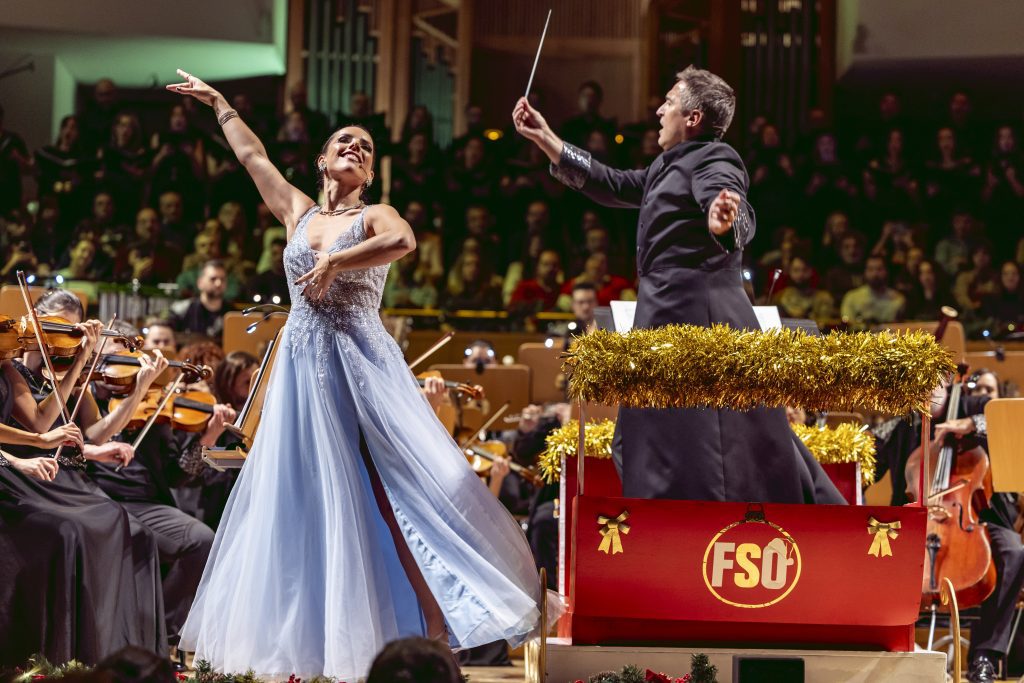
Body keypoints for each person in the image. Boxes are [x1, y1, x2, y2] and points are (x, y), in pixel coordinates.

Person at [167, 69, 556, 680]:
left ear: (370, 174)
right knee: (301, 497)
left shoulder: (377, 212)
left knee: (388, 492)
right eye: (344, 141)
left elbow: (403, 242)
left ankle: (434, 628)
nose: (355, 147)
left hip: (358, 365)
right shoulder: (297, 211)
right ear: (322, 160)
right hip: (302, 370)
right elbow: (252, 157)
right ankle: (311, 645)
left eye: (366, 148)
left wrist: (336, 260)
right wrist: (218, 102)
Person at [513, 65, 843, 504]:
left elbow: (734, 209)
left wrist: (724, 222)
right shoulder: (666, 165)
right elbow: (613, 184)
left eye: (668, 102)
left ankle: (698, 530)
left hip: (695, 323)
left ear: (693, 117)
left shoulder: (714, 158)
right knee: (650, 445)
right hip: (665, 319)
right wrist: (547, 139)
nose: (658, 110)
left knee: (709, 450)